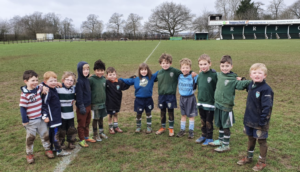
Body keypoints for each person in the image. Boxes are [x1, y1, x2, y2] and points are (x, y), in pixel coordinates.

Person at [209, 55, 251, 152]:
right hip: (218, 104)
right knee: (219, 123)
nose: (224, 68)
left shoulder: (233, 78)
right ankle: (220, 140)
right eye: (222, 66)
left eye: (227, 66)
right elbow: (211, 74)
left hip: (226, 107)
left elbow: (243, 84)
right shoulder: (219, 75)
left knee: (226, 126)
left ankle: (226, 145)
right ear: (220, 66)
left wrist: (244, 79)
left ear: (231, 66)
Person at [237, 63, 273, 171]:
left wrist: (263, 120)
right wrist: (242, 79)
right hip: (249, 119)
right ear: (251, 75)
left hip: (260, 121)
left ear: (265, 75)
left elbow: (267, 107)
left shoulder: (266, 89)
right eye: (254, 73)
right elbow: (248, 86)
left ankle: (262, 162)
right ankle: (249, 157)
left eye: (260, 73)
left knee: (261, 141)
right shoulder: (251, 85)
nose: (257, 75)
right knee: (250, 138)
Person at [155, 53, 196, 137]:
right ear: (160, 64)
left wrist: (192, 72)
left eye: (167, 63)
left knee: (170, 111)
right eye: (163, 63)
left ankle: (171, 128)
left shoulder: (174, 71)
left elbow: (184, 71)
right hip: (161, 96)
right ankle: (163, 127)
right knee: (162, 112)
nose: (165, 65)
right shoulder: (158, 73)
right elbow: (151, 78)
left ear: (170, 63)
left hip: (171, 96)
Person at [20, 70, 54, 164]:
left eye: (36, 80)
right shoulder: (24, 94)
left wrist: (43, 87)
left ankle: (48, 149)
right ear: (26, 81)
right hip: (30, 121)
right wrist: (24, 120)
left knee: (45, 135)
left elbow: (43, 83)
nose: (35, 82)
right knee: (30, 138)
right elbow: (22, 108)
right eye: (32, 80)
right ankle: (29, 154)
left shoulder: (38, 88)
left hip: (41, 119)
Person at [120, 63, 158, 134]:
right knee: (139, 113)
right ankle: (138, 127)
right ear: (139, 71)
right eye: (142, 70)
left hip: (148, 99)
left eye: (145, 70)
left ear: (148, 70)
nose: (143, 71)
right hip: (139, 100)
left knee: (148, 113)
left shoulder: (151, 77)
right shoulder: (136, 79)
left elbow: (159, 73)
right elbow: (127, 80)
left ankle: (149, 127)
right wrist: (119, 79)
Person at [42, 71, 71, 156]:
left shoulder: (53, 89)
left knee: (52, 133)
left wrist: (56, 83)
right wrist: (45, 116)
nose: (54, 82)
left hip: (57, 116)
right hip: (53, 117)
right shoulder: (47, 91)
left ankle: (52, 147)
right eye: (51, 81)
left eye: (55, 80)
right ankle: (58, 150)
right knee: (55, 133)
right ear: (45, 82)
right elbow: (44, 104)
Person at [195, 54, 218, 146]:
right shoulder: (200, 75)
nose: (203, 66)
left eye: (205, 64)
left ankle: (209, 137)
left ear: (210, 64)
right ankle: (203, 135)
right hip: (201, 102)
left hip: (210, 103)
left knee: (209, 121)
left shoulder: (214, 75)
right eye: (201, 64)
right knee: (202, 120)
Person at [176, 58, 198, 139]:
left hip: (190, 98)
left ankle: (191, 131)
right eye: (183, 68)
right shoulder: (179, 76)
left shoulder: (194, 76)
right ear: (180, 68)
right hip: (182, 98)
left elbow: (200, 79)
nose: (185, 69)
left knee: (191, 115)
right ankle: (182, 130)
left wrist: (193, 75)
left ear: (190, 68)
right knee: (183, 114)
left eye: (187, 67)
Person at [76, 62, 96, 147]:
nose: (86, 71)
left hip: (88, 105)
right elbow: (79, 95)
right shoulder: (79, 82)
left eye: (87, 69)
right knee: (82, 124)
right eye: (84, 69)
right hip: (82, 106)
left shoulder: (87, 80)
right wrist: (81, 106)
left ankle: (86, 136)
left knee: (87, 122)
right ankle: (81, 139)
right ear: (80, 70)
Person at [105, 67, 130, 134]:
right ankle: (110, 128)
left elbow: (126, 86)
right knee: (110, 115)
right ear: (107, 76)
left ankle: (116, 127)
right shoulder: (106, 83)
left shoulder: (119, 82)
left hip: (117, 102)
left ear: (116, 74)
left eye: (113, 74)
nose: (112, 76)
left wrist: (131, 80)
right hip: (109, 103)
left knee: (116, 114)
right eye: (110, 75)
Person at [56, 71, 77, 149]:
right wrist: (56, 83)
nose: (69, 82)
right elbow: (46, 84)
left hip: (70, 114)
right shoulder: (58, 89)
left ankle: (71, 142)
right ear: (63, 80)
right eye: (67, 79)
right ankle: (61, 143)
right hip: (62, 115)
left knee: (71, 129)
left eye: (71, 80)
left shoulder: (73, 89)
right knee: (62, 130)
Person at [89, 59, 108, 141]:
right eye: (98, 70)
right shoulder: (91, 79)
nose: (100, 72)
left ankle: (101, 132)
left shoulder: (104, 79)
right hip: (95, 103)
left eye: (102, 70)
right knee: (95, 119)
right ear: (94, 70)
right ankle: (95, 134)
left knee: (101, 118)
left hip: (102, 103)